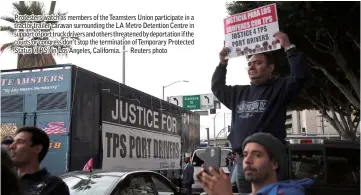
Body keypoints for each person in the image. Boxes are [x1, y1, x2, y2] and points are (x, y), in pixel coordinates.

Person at [211, 31, 309, 192]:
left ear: (270, 68)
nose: (251, 67)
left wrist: (288, 47)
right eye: (250, 64)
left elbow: (300, 76)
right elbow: (217, 87)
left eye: (258, 63)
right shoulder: (238, 93)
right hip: (243, 162)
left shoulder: (279, 89)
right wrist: (222, 64)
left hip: (267, 162)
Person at [197, 133, 313, 195]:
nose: (247, 160)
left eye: (257, 155)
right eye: (245, 154)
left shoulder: (288, 192)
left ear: (274, 163)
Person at [9, 126, 70, 195]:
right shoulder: (5, 180)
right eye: (13, 142)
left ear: (37, 149)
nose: (11, 146)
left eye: (20, 142)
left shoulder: (53, 185)